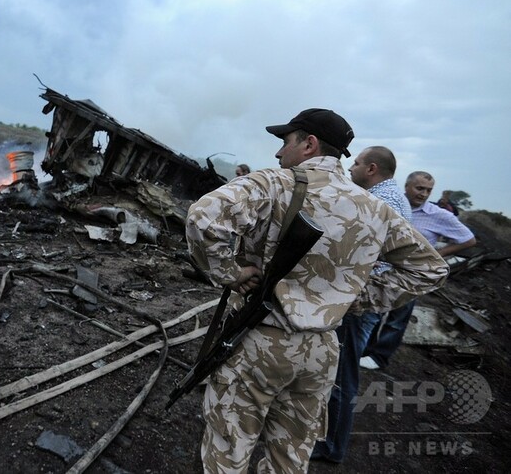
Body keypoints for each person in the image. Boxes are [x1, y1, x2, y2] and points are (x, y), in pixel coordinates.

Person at [186, 108, 448, 473]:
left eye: (285, 142)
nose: (279, 153)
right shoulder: (377, 210)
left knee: (229, 449)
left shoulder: (275, 183)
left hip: (263, 337)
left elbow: (203, 217)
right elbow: (431, 269)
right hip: (323, 351)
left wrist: (229, 273)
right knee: (290, 458)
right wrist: (352, 299)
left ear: (308, 144)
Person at [311, 145, 412, 463]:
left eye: (355, 163)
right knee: (337, 369)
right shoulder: (391, 197)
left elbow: (360, 252)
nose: (350, 168)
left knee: (342, 374)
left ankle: (331, 447)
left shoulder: (383, 201)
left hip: (360, 300)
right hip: (364, 297)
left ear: (371, 168)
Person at [360, 171, 476, 370]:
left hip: (410, 275)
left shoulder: (438, 215)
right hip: (381, 270)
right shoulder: (393, 204)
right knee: (372, 311)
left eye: (428, 190)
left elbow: (468, 240)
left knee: (397, 318)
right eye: (419, 188)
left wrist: (437, 255)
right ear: (407, 186)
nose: (423, 194)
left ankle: (379, 357)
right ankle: (363, 351)